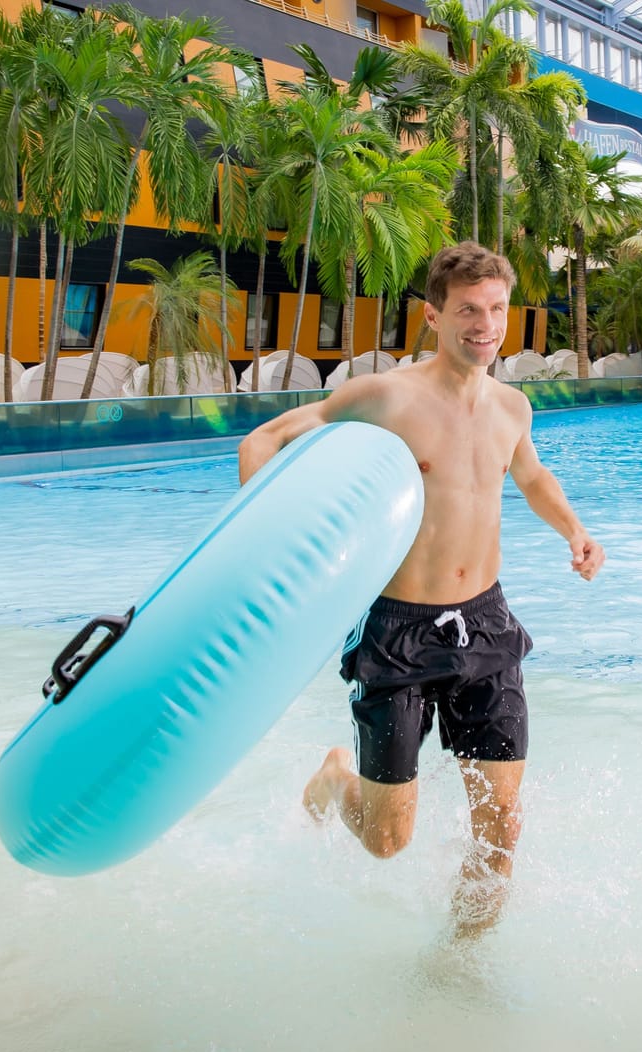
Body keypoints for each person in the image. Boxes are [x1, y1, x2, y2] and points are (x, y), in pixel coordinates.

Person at [237, 242, 604, 937]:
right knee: (385, 840)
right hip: (398, 629)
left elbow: (528, 477)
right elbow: (264, 441)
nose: (486, 325)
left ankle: (456, 969)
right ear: (433, 315)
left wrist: (575, 532)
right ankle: (333, 775)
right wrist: (268, 549)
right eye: (468, 311)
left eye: (497, 309)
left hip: (487, 626)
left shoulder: (512, 407)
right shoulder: (385, 396)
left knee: (500, 830)